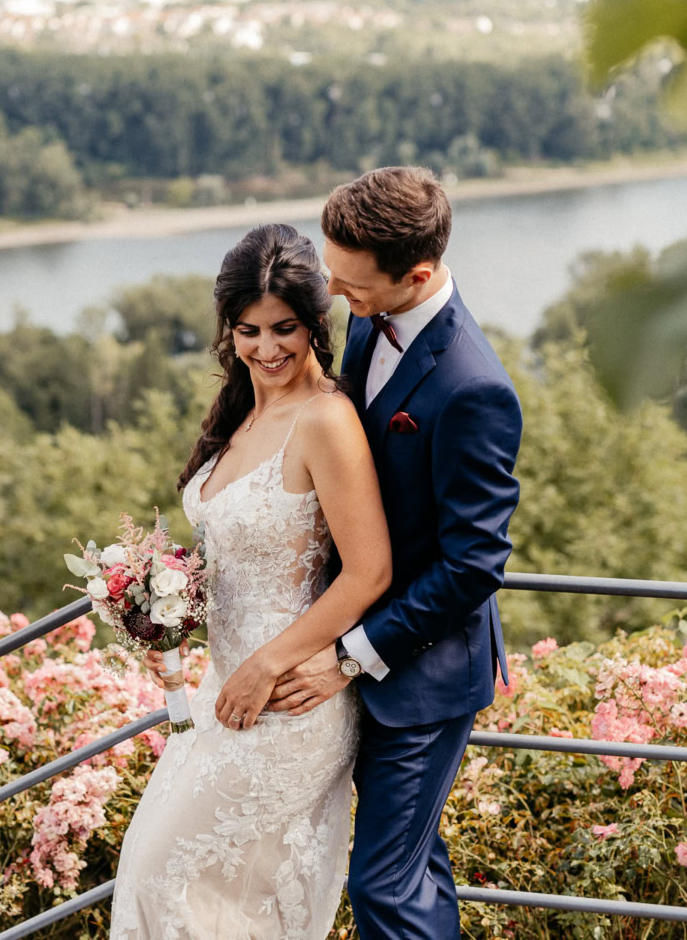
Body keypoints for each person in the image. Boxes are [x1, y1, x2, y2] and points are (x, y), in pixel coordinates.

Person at [109, 222, 392, 940]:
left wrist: (266, 665)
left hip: (289, 698)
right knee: (162, 884)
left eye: (285, 328)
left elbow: (370, 571)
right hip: (220, 693)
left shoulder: (326, 420)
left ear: (315, 323)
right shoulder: (242, 412)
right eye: (248, 330)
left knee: (165, 880)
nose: (267, 349)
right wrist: (161, 611)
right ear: (228, 331)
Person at [261, 166, 523, 940]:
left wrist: (346, 656)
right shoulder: (377, 319)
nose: (339, 299)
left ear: (418, 273)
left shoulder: (475, 387)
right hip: (354, 641)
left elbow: (473, 566)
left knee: (381, 884)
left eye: (353, 286)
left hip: (423, 677)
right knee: (411, 866)